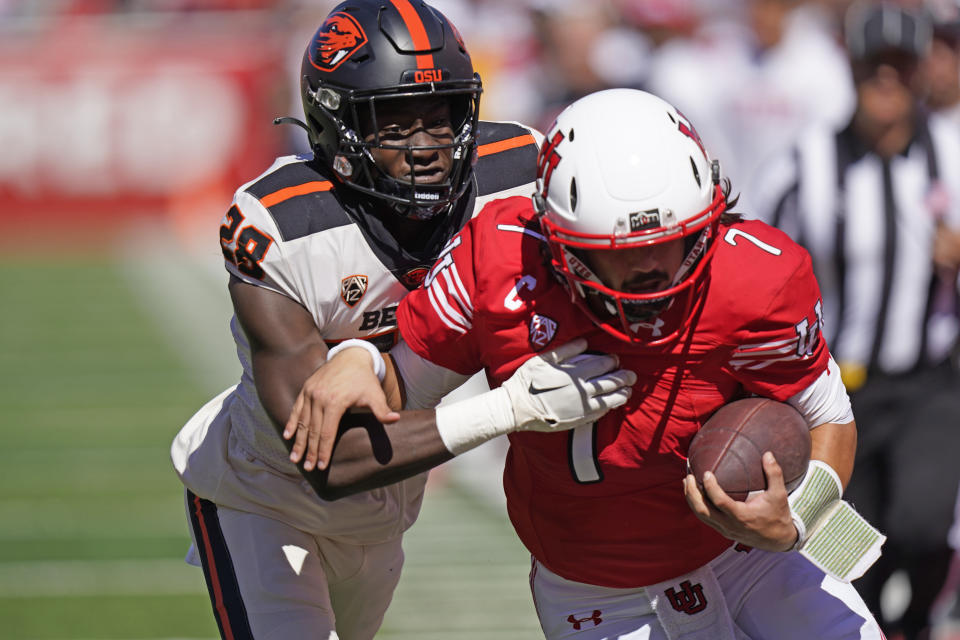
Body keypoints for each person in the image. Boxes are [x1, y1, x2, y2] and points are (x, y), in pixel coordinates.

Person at [289, 87, 886, 639]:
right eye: (623, 255)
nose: (653, 273)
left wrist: (799, 521)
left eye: (668, 243)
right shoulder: (500, 263)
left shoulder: (755, 278)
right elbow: (400, 393)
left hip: (752, 557)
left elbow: (828, 415)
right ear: (556, 238)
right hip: (598, 588)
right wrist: (363, 358)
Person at [166, 2, 631, 638]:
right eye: (393, 123)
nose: (426, 148)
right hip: (265, 495)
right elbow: (328, 462)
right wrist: (512, 409)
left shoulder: (520, 170)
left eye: (440, 118)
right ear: (336, 123)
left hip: (391, 498)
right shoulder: (281, 228)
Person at [753, 4, 960, 638]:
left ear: (921, 70)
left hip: (927, 381)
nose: (888, 80)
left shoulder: (952, 153)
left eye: (900, 65)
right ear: (854, 69)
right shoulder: (806, 159)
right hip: (835, 392)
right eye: (876, 66)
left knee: (926, 523)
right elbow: (755, 259)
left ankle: (915, 620)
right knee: (842, 553)